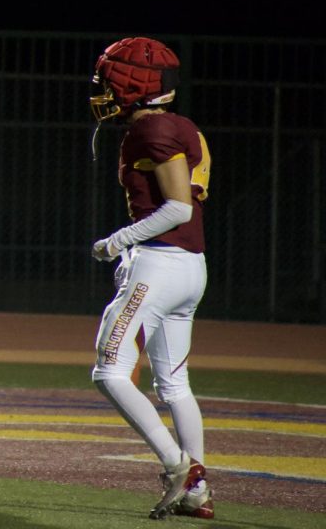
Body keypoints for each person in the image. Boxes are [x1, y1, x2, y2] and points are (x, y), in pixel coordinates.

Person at [88, 37, 214, 520]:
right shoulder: (181, 124)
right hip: (191, 268)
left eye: (108, 78)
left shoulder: (151, 129)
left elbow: (178, 206)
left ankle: (177, 465)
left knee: (109, 371)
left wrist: (116, 241)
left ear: (131, 82)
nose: (101, 87)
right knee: (175, 384)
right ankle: (198, 492)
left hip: (158, 264)